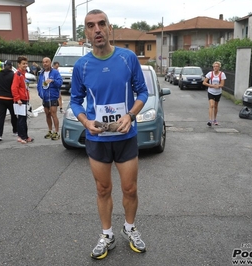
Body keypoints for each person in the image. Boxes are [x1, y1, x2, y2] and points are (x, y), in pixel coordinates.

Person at [70, 9, 148, 260]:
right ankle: (107, 234)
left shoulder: (128, 58)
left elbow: (143, 93)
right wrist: (85, 121)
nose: (97, 29)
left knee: (130, 189)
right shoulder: (82, 66)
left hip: (125, 137)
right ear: (86, 33)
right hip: (98, 138)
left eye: (101, 24)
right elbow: (74, 101)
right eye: (91, 26)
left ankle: (129, 228)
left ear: (110, 28)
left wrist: (130, 115)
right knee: (103, 189)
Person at [0, 60, 17, 141]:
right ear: (11, 66)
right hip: (10, 98)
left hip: (0, 98)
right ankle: (15, 131)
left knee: (1, 117)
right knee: (13, 116)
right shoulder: (13, 75)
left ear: (4, 66)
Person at [37, 57, 63, 140]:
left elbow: (60, 83)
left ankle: (57, 132)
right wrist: (40, 94)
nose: (45, 63)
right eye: (43, 62)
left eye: (47, 62)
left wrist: (53, 81)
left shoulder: (55, 73)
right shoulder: (41, 74)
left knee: (53, 114)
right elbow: (39, 85)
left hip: (52, 97)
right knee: (47, 114)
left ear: (50, 63)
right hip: (45, 98)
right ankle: (50, 131)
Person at [11, 56, 33, 144]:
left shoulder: (23, 74)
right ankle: (21, 136)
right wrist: (17, 99)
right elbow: (14, 88)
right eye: (23, 64)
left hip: (24, 99)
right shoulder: (18, 74)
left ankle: (25, 136)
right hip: (20, 100)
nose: (25, 65)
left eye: (26, 63)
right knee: (21, 119)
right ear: (19, 64)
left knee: (23, 119)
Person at [202, 61, 226, 126]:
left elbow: (222, 84)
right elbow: (204, 82)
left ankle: (215, 119)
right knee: (211, 105)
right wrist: (212, 85)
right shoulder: (210, 74)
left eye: (217, 66)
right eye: (214, 66)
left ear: (219, 67)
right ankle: (210, 120)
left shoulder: (222, 74)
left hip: (218, 92)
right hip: (211, 91)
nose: (215, 68)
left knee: (215, 106)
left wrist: (218, 86)